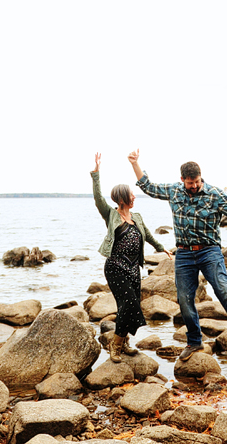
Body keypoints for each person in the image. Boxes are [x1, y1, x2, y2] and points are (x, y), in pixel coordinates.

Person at [128, 149, 227, 363]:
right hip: (185, 255)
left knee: (225, 293)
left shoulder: (213, 194)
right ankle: (194, 341)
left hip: (210, 252)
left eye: (196, 181)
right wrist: (135, 164)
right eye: (190, 183)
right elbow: (149, 187)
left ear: (200, 177)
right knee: (185, 300)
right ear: (182, 180)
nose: (194, 186)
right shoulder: (174, 191)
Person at [91, 152, 172, 362]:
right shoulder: (111, 215)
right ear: (121, 198)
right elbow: (98, 198)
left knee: (125, 308)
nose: (135, 197)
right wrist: (96, 174)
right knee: (129, 305)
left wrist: (162, 248)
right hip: (116, 267)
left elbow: (148, 235)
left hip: (134, 268)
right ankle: (115, 346)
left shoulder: (137, 217)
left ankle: (123, 342)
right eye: (131, 194)